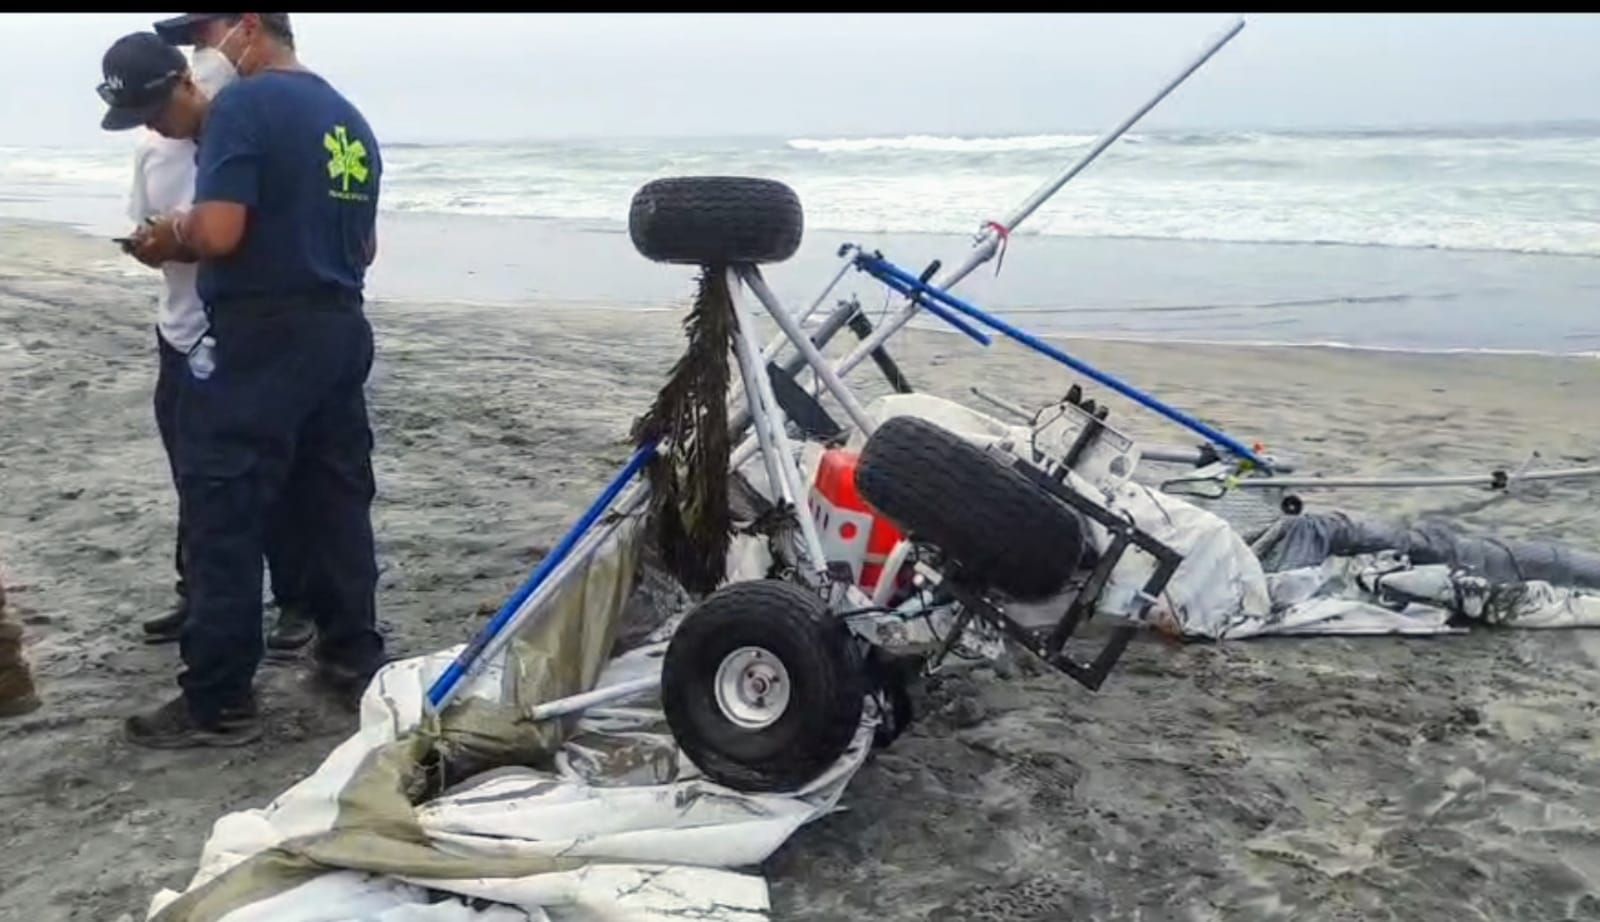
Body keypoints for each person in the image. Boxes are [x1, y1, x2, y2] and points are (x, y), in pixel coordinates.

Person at [101, 15, 387, 748]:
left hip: (262, 329)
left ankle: (218, 698)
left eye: (207, 35)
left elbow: (222, 231)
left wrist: (173, 235)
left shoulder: (244, 107)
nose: (202, 52)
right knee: (334, 496)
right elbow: (368, 244)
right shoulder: (346, 117)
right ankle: (351, 656)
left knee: (222, 504)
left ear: (249, 29)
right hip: (339, 325)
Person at [120, 34, 313, 653]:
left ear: (185, 82)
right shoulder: (152, 151)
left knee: (269, 472)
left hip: (241, 329)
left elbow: (247, 231)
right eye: (139, 117)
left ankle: (295, 602)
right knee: (194, 476)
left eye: (156, 108)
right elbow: (151, 227)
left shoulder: (240, 126)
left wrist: (187, 237)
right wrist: (154, 245)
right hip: (178, 330)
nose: (153, 124)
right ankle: (196, 594)